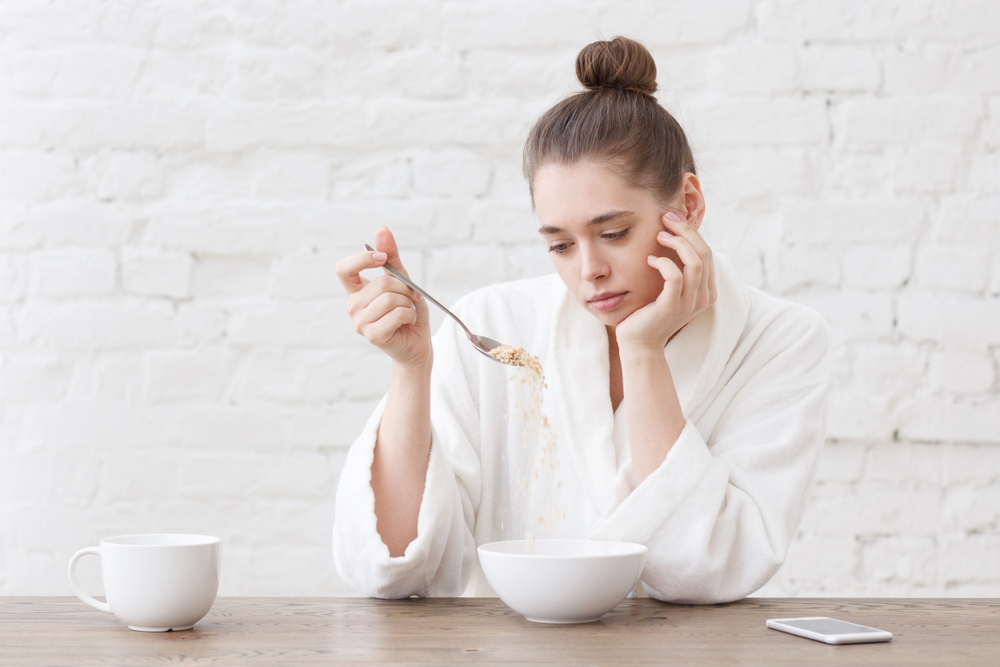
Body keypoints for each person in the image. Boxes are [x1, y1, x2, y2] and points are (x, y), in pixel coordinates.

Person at [333, 36, 829, 604]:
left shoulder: (779, 339)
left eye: (614, 234)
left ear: (688, 205)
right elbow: (396, 568)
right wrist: (412, 369)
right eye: (561, 245)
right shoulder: (494, 322)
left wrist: (643, 352)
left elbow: (708, 569)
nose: (589, 270)